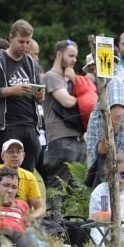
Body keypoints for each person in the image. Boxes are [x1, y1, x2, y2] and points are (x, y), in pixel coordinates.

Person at [0, 19, 44, 167]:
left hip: (31, 124)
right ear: (11, 38)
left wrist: (40, 95)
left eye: (28, 42)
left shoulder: (31, 62)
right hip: (7, 125)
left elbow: (39, 95)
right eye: (21, 42)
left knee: (28, 172)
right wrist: (12, 90)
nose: (25, 46)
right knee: (6, 171)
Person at [40, 39, 85, 216]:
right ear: (59, 54)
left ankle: (70, 229)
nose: (74, 60)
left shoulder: (70, 80)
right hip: (60, 139)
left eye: (76, 56)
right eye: (71, 55)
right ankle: (54, 228)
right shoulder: (51, 77)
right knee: (57, 187)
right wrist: (89, 98)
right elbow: (67, 101)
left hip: (76, 138)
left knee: (74, 189)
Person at [85, 49, 124, 176]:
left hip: (114, 156)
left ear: (108, 61)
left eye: (94, 66)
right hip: (119, 156)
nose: (94, 72)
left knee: (108, 195)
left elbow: (117, 114)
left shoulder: (116, 81)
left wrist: (103, 146)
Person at [0, 139, 45, 220]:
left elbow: (40, 208)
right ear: (2, 155)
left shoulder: (29, 176)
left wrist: (30, 218)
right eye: (11, 152)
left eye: (18, 152)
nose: (15, 155)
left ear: (23, 156)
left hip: (20, 220)